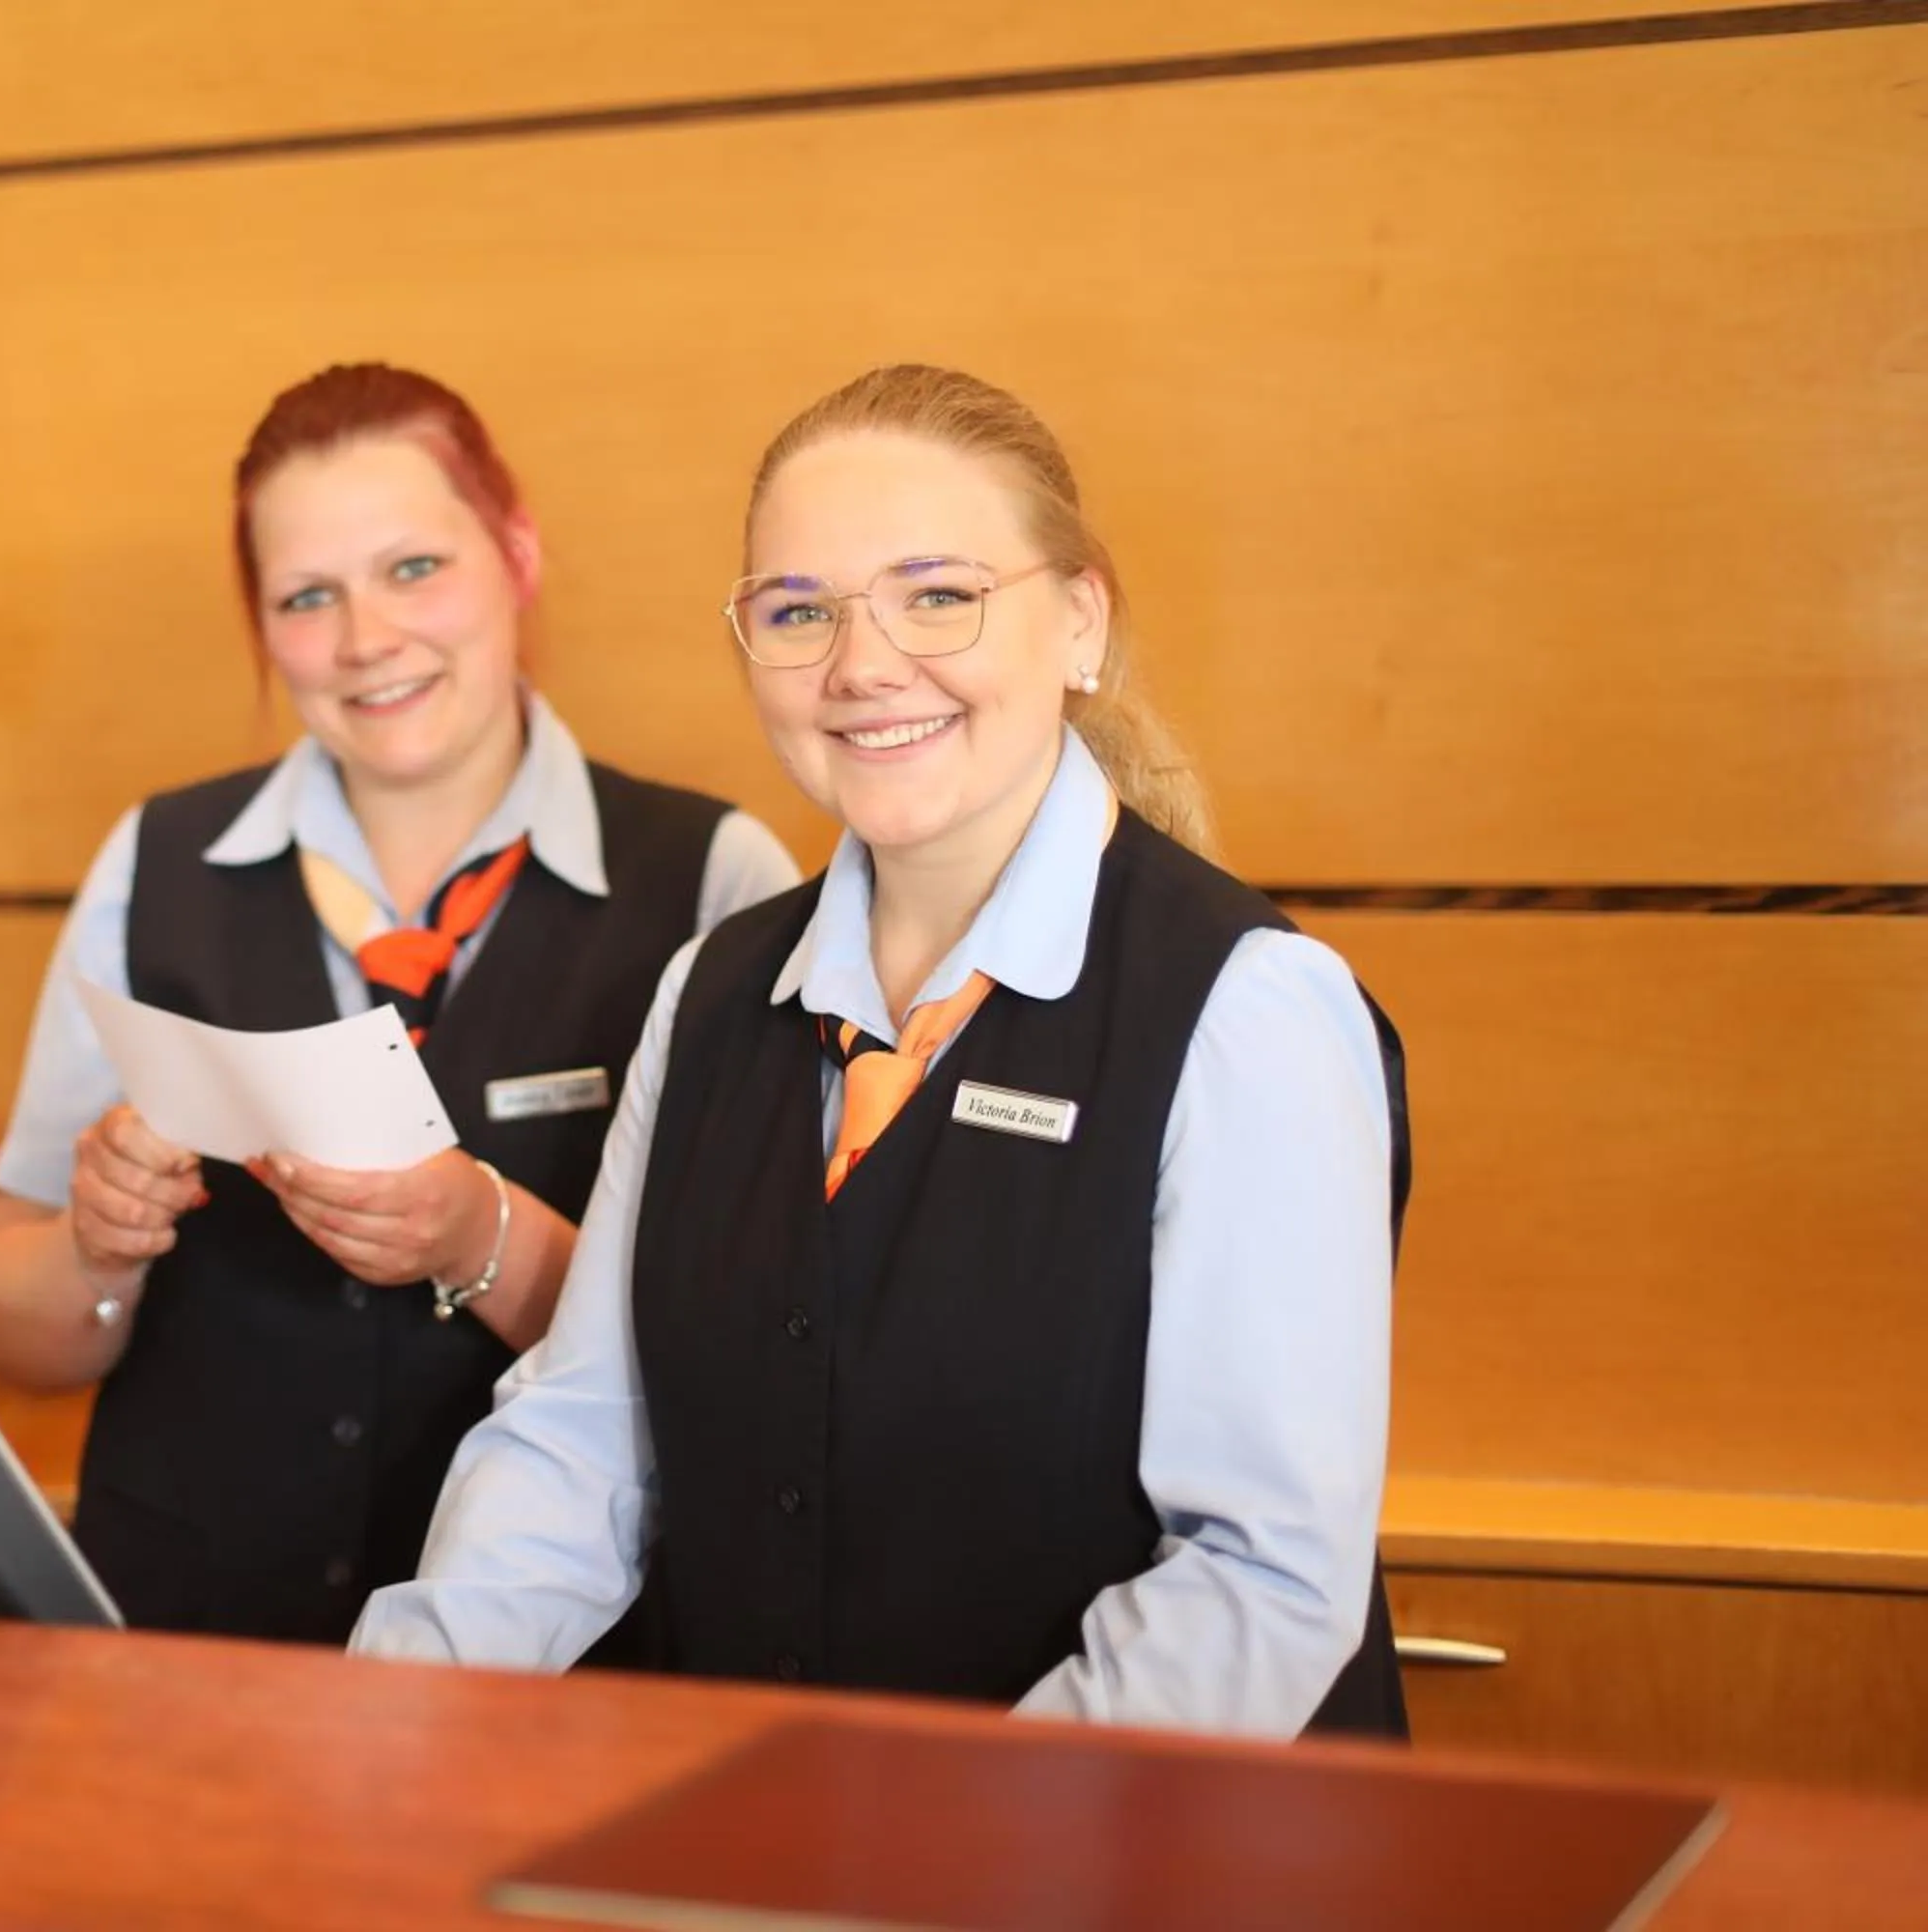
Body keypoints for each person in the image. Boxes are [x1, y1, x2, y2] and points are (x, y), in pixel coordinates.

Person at [352, 363, 1410, 1739]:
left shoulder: (1249, 1012)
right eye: (800, 613)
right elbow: (583, 1437)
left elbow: (1257, 1578)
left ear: (1080, 618)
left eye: (939, 595)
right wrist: (376, 1724)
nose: (861, 666)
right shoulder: (711, 993)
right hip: (780, 1838)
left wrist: (965, 1849)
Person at [0, 362, 801, 1645]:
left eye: (415, 568)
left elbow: (753, 1367)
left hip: (562, 1672)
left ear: (516, 555)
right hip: (182, 1654)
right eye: (308, 596)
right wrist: (98, 1246)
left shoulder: (714, 880)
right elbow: (15, 1333)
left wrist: (485, 1240)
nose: (366, 640)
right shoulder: (156, 865)